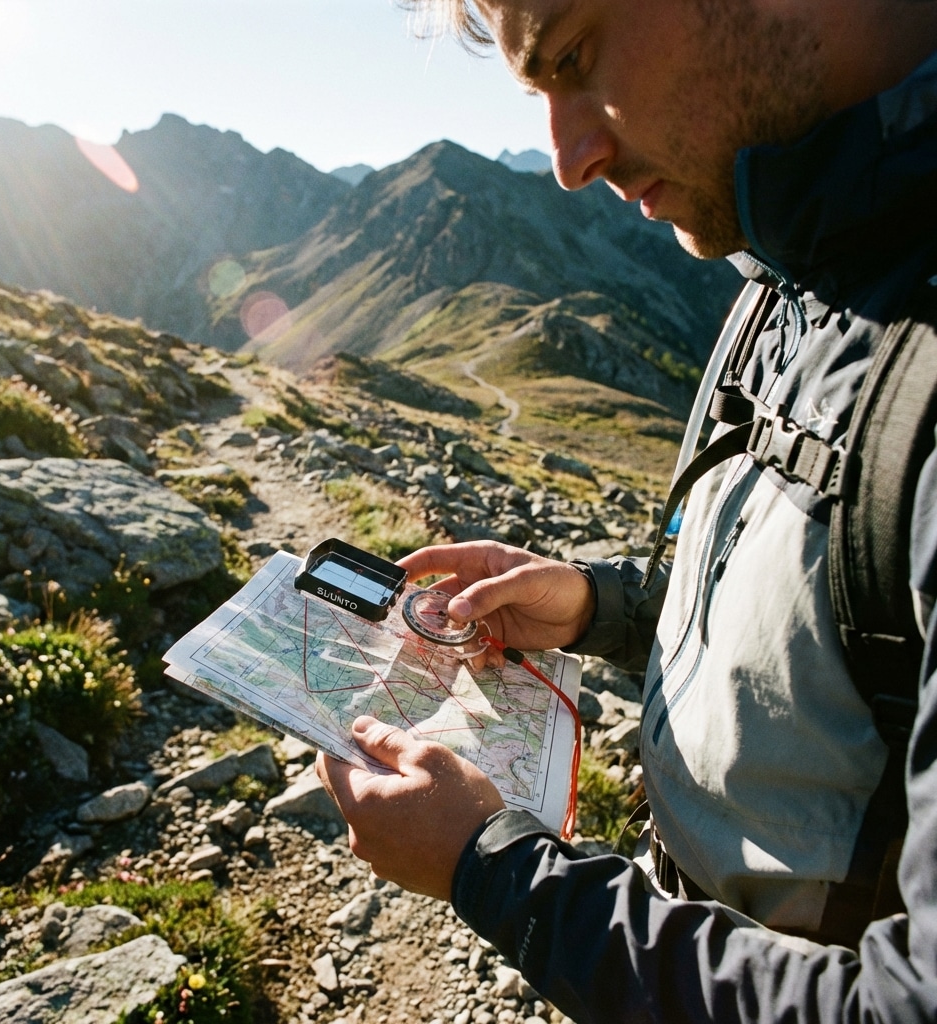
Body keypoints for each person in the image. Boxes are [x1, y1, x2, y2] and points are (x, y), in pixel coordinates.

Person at [317, 0, 937, 1019]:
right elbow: (831, 622)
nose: (565, 158)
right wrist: (600, 607)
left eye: (573, 53)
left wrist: (499, 873)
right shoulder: (783, 263)